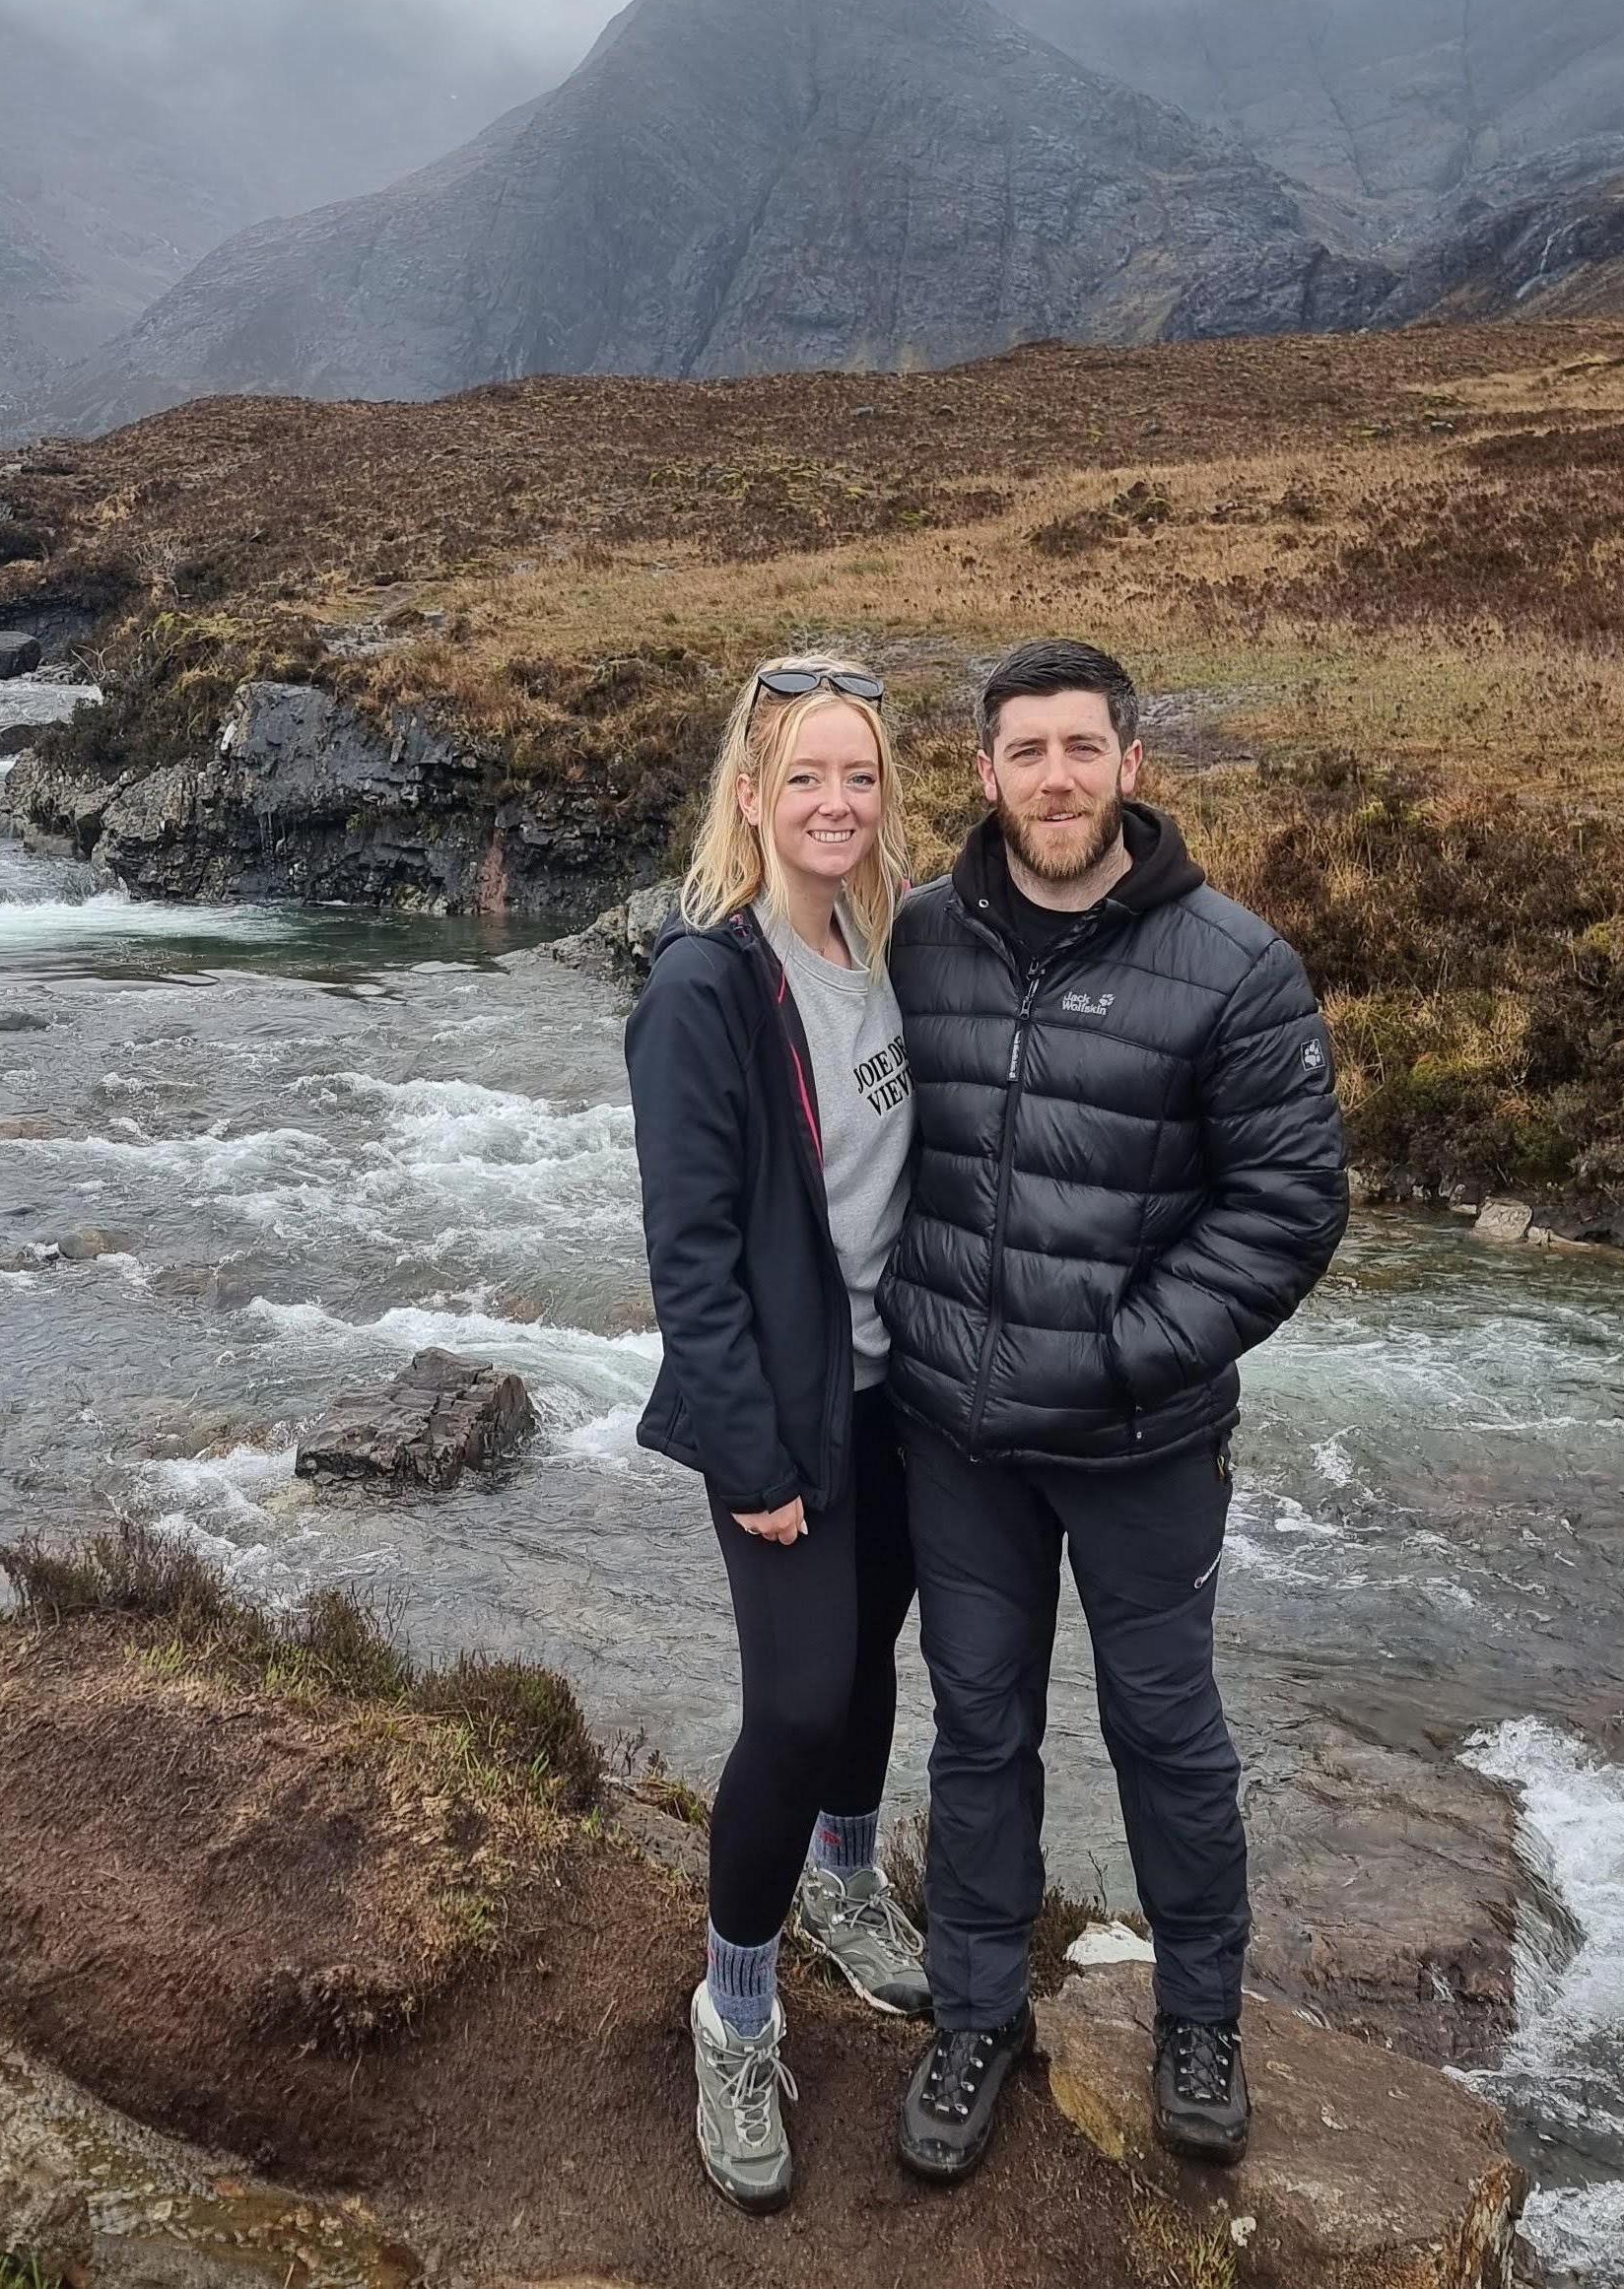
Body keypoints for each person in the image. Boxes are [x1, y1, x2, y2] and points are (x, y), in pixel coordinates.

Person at [879, 637, 1349, 2183]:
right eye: (1028, 750)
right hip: (959, 1435)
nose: (1057, 777)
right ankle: (973, 2017)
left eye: (1083, 747)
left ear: (1131, 765)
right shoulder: (921, 940)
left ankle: (1198, 2018)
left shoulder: (1236, 964)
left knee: (1165, 1730)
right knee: (977, 1725)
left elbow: (1287, 1206)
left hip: (1143, 1438)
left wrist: (1130, 1348)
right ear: (987, 770)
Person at [624, 652, 932, 2213]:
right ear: (749, 797)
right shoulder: (705, 985)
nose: (833, 801)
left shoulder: (876, 947)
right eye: (802, 776)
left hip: (894, 1393)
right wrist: (747, 1459)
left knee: (871, 1657)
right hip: (788, 1419)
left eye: (856, 777)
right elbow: (689, 1252)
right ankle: (732, 2007)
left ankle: (843, 1876)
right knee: (800, 1698)